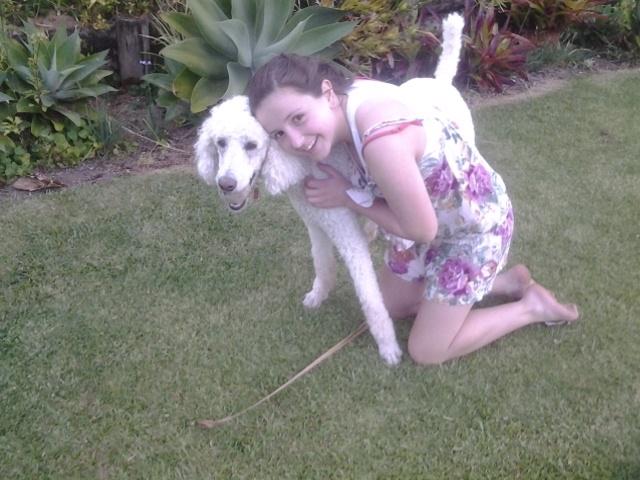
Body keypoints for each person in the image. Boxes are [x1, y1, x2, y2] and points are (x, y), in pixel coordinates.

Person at [247, 54, 579, 365]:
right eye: (279, 133)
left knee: (427, 349)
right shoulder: (349, 97)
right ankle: (506, 283)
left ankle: (531, 307)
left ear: (327, 93)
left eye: (298, 118)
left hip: (472, 230)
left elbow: (422, 230)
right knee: (391, 305)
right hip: (429, 217)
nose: (295, 141)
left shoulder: (381, 140)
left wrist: (348, 196)